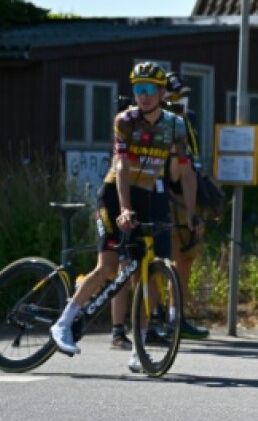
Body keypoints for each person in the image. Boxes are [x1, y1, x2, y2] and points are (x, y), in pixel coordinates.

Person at [49, 63, 202, 372]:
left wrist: (192, 212)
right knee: (107, 266)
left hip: (148, 195)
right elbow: (120, 165)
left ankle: (140, 345)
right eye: (137, 90)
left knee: (147, 273)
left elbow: (185, 172)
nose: (142, 96)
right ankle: (63, 323)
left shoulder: (176, 125)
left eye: (149, 90)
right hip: (114, 194)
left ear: (161, 93)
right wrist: (124, 208)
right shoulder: (126, 121)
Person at [162, 73, 210, 340]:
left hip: (189, 198)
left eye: (184, 95)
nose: (182, 101)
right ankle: (155, 318)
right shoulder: (164, 125)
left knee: (186, 259)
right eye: (175, 96)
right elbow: (174, 173)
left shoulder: (186, 122)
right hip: (170, 200)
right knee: (162, 259)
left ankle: (176, 316)